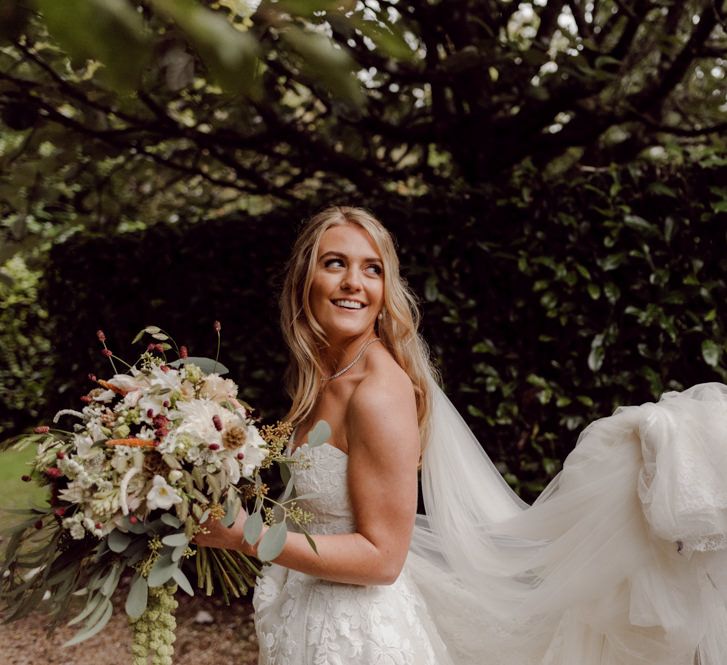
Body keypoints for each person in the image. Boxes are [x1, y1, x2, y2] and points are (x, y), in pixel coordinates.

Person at [195, 206, 727, 665]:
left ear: (385, 291)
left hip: (358, 637)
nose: (353, 282)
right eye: (335, 263)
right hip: (307, 622)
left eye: (371, 269)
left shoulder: (378, 393)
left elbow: (383, 559)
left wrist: (249, 535)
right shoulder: (321, 381)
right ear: (304, 280)